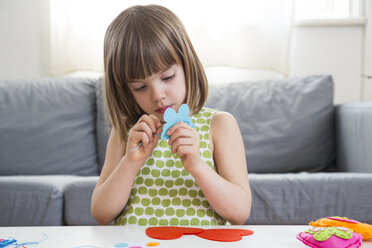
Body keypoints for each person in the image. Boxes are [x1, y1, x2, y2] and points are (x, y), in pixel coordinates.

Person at [91, 4, 252, 226]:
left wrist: (197, 165)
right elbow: (101, 213)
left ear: (187, 65)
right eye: (140, 87)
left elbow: (240, 211)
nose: (158, 95)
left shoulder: (219, 125)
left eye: (167, 77)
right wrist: (129, 163)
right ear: (125, 90)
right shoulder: (126, 133)